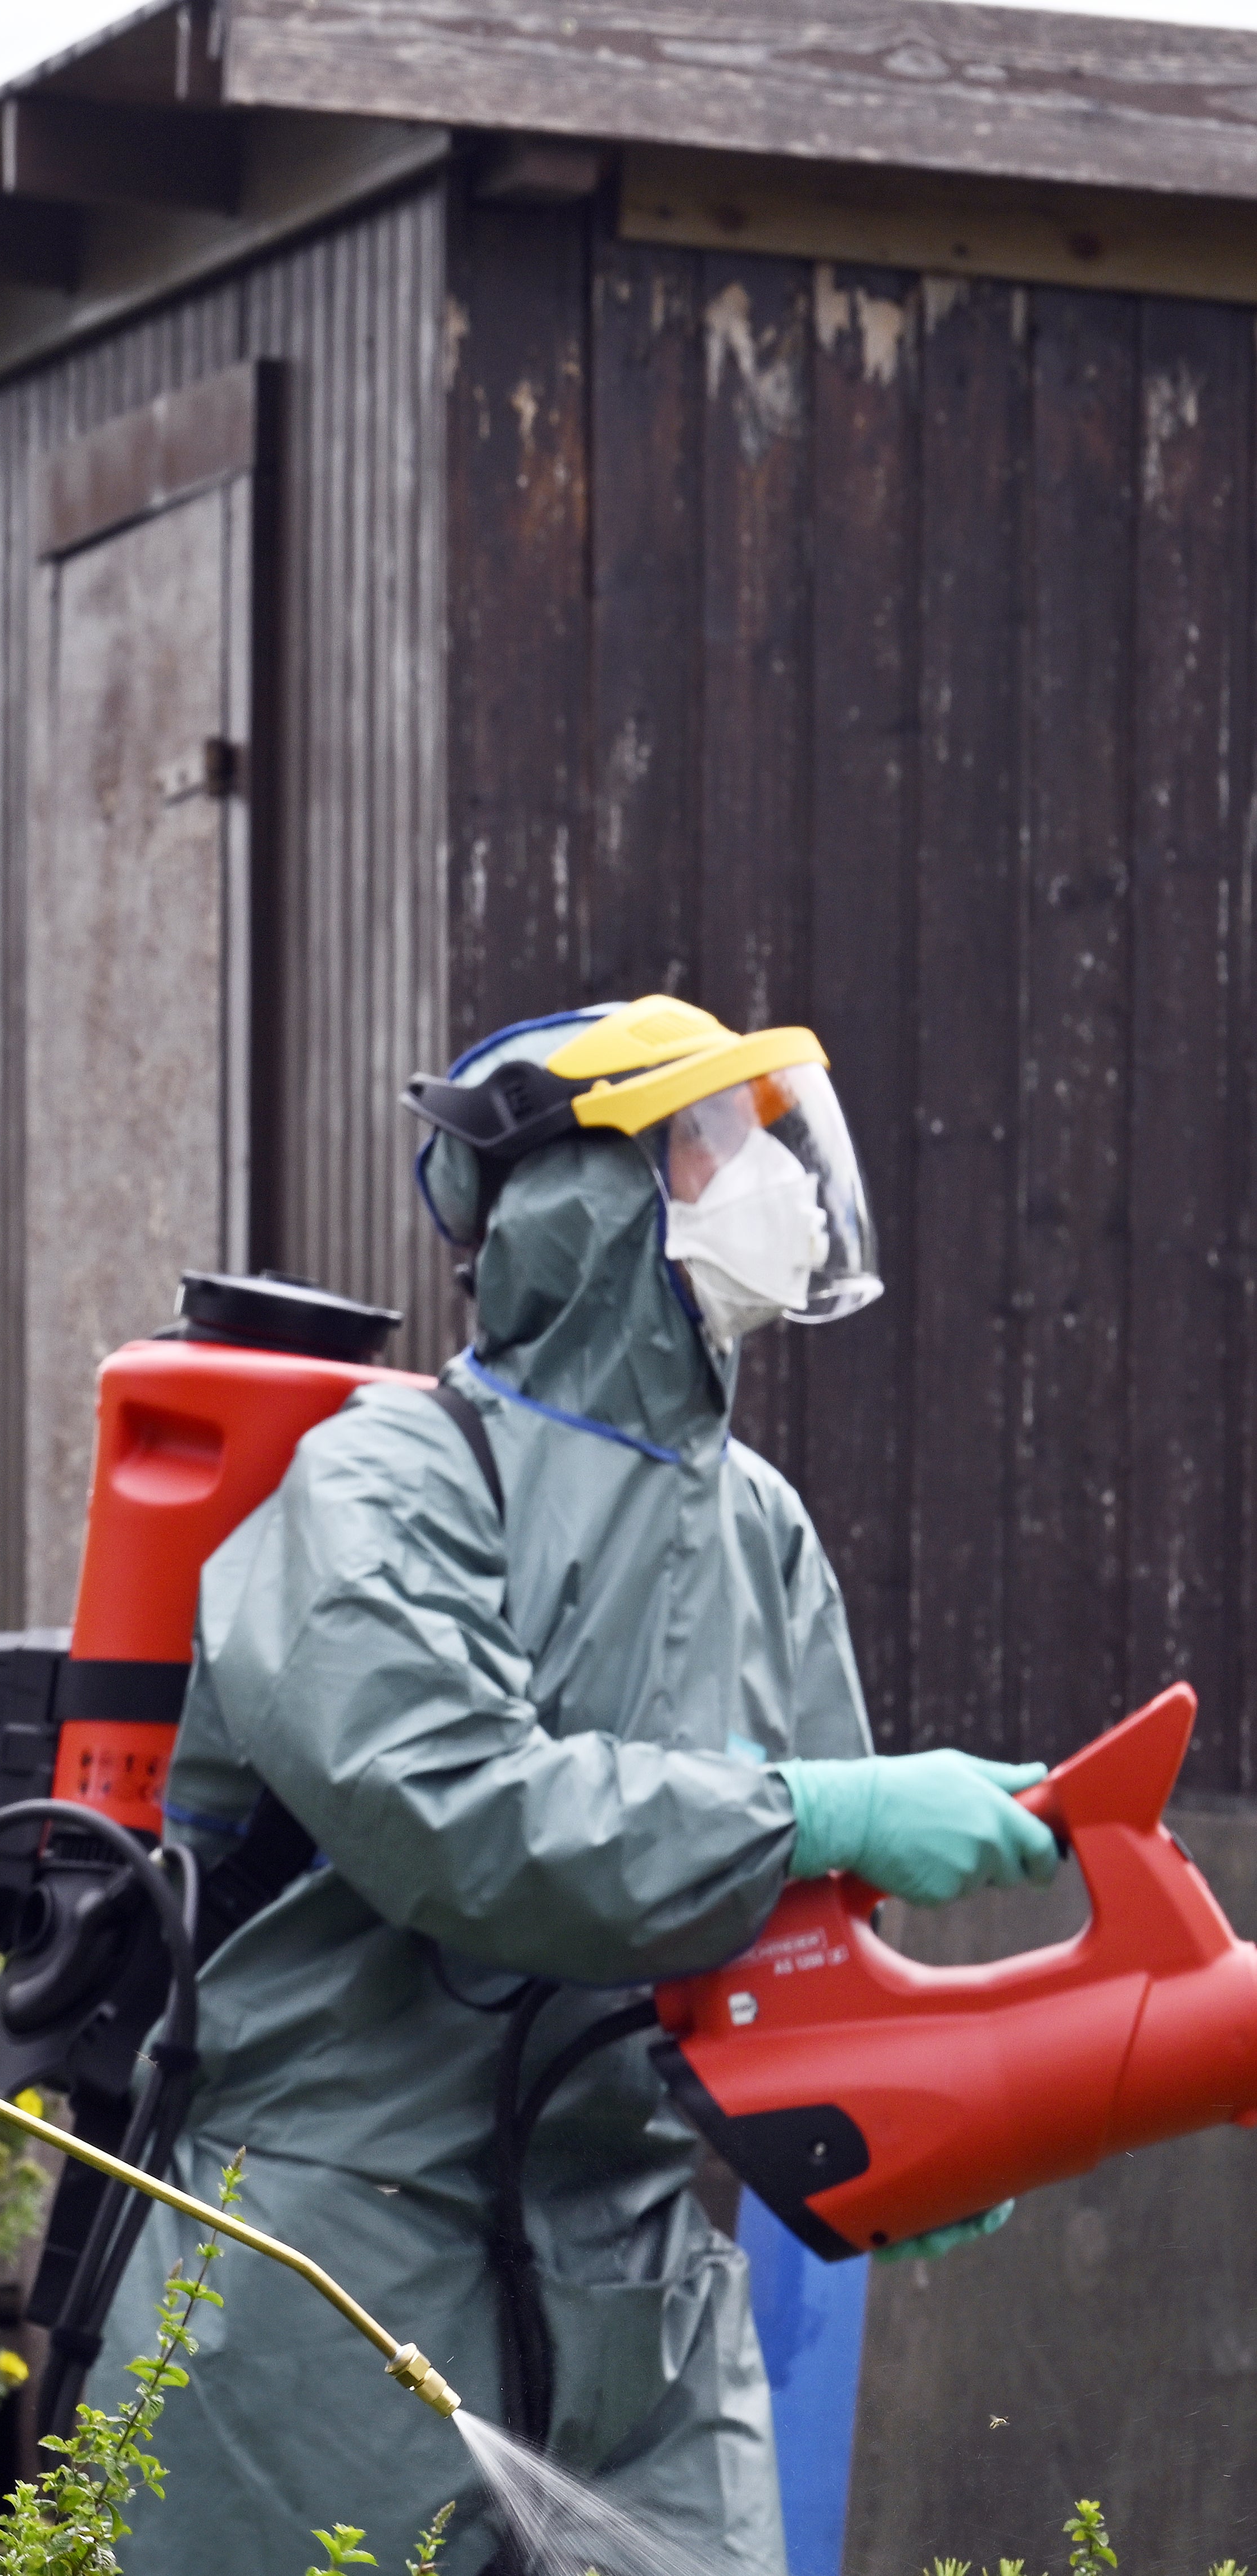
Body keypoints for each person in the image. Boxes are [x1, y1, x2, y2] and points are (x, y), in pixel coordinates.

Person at [111, 996, 1050, 2570]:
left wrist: (900, 2128)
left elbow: (789, 1941)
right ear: (585, 1197)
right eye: (715, 1146)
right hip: (328, 2268)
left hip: (635, 2286)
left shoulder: (760, 1527)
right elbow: (455, 1816)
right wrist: (809, 1807)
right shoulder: (383, 1480)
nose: (777, 1190)